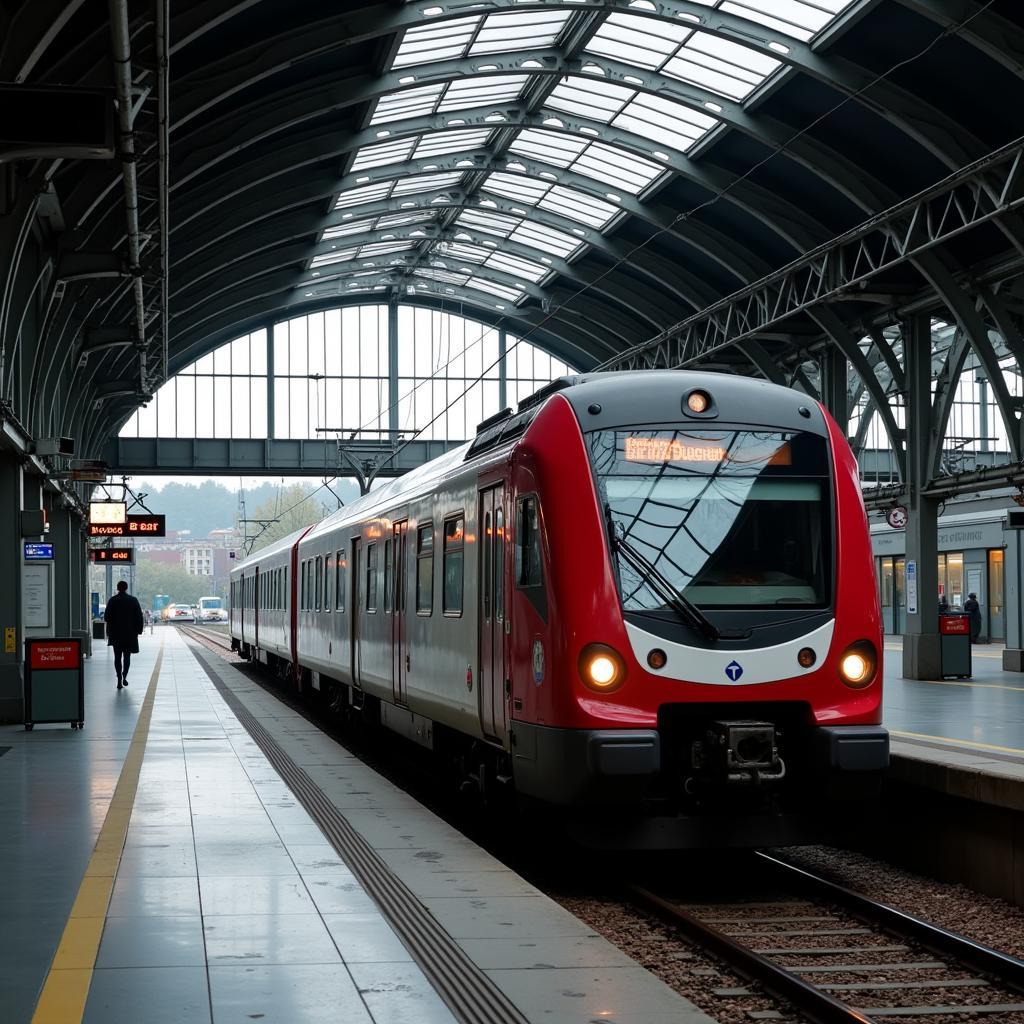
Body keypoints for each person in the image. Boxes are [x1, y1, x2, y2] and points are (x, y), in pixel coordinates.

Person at [104, 581, 144, 689]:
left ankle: (119, 679)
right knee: (127, 656)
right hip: (129, 635)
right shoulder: (133, 600)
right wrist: (139, 631)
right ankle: (124, 675)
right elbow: (139, 617)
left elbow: (106, 617)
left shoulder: (112, 600)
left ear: (117, 588)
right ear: (126, 588)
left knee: (117, 657)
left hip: (116, 634)